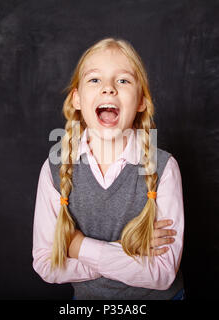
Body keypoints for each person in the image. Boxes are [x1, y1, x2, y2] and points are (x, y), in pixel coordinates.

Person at [32, 37, 185, 300]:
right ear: (76, 99)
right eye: (94, 80)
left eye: (123, 80)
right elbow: (47, 264)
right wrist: (127, 252)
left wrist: (78, 246)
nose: (108, 89)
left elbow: (161, 273)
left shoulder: (165, 168)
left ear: (141, 102)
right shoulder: (55, 168)